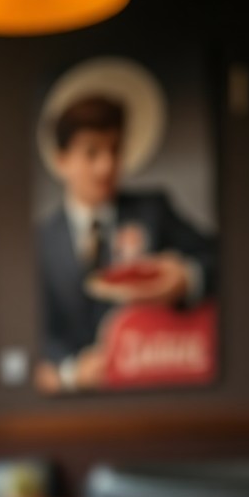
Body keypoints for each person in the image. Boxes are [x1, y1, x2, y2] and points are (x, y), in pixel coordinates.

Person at [35, 93, 216, 392]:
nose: (106, 166)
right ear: (62, 160)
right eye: (92, 153)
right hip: (75, 405)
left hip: (154, 385)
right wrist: (71, 372)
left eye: (115, 150)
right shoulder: (42, 239)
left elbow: (219, 258)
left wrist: (186, 278)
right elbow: (38, 330)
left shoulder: (153, 211)